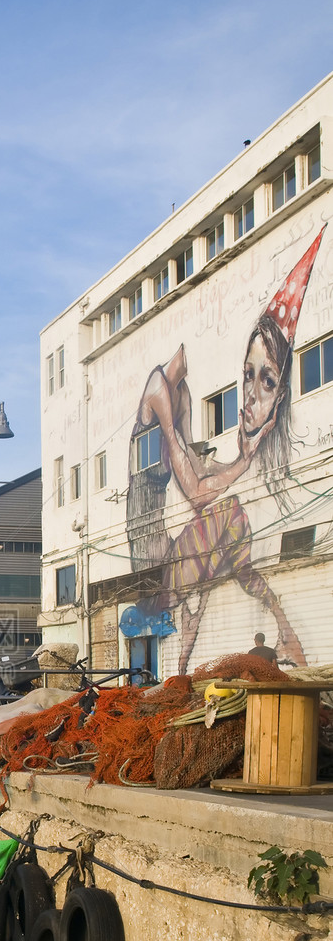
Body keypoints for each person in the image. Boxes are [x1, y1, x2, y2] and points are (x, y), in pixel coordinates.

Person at [125, 229, 324, 673]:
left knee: (230, 557)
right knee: (213, 558)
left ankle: (182, 668)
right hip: (152, 528)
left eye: (265, 380)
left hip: (171, 530)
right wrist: (244, 460)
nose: (248, 393)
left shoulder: (182, 392)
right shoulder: (161, 390)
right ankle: (179, 670)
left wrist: (233, 462)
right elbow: (195, 489)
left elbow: (195, 469)